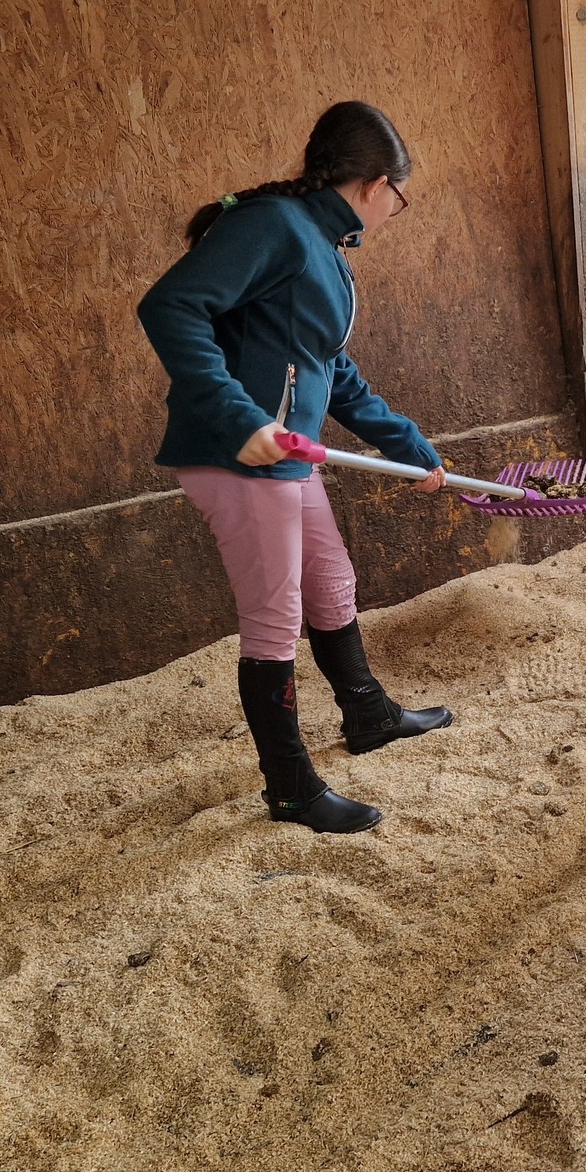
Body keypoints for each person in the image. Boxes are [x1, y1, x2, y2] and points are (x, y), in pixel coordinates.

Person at [137, 101, 452, 835]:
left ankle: (367, 713)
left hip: (290, 454)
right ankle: (290, 788)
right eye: (400, 197)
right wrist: (241, 418)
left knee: (331, 580)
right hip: (242, 454)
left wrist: (409, 446)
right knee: (275, 620)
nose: (395, 210)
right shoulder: (274, 227)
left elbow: (328, 368)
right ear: (376, 184)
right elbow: (170, 307)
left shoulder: (323, 243)